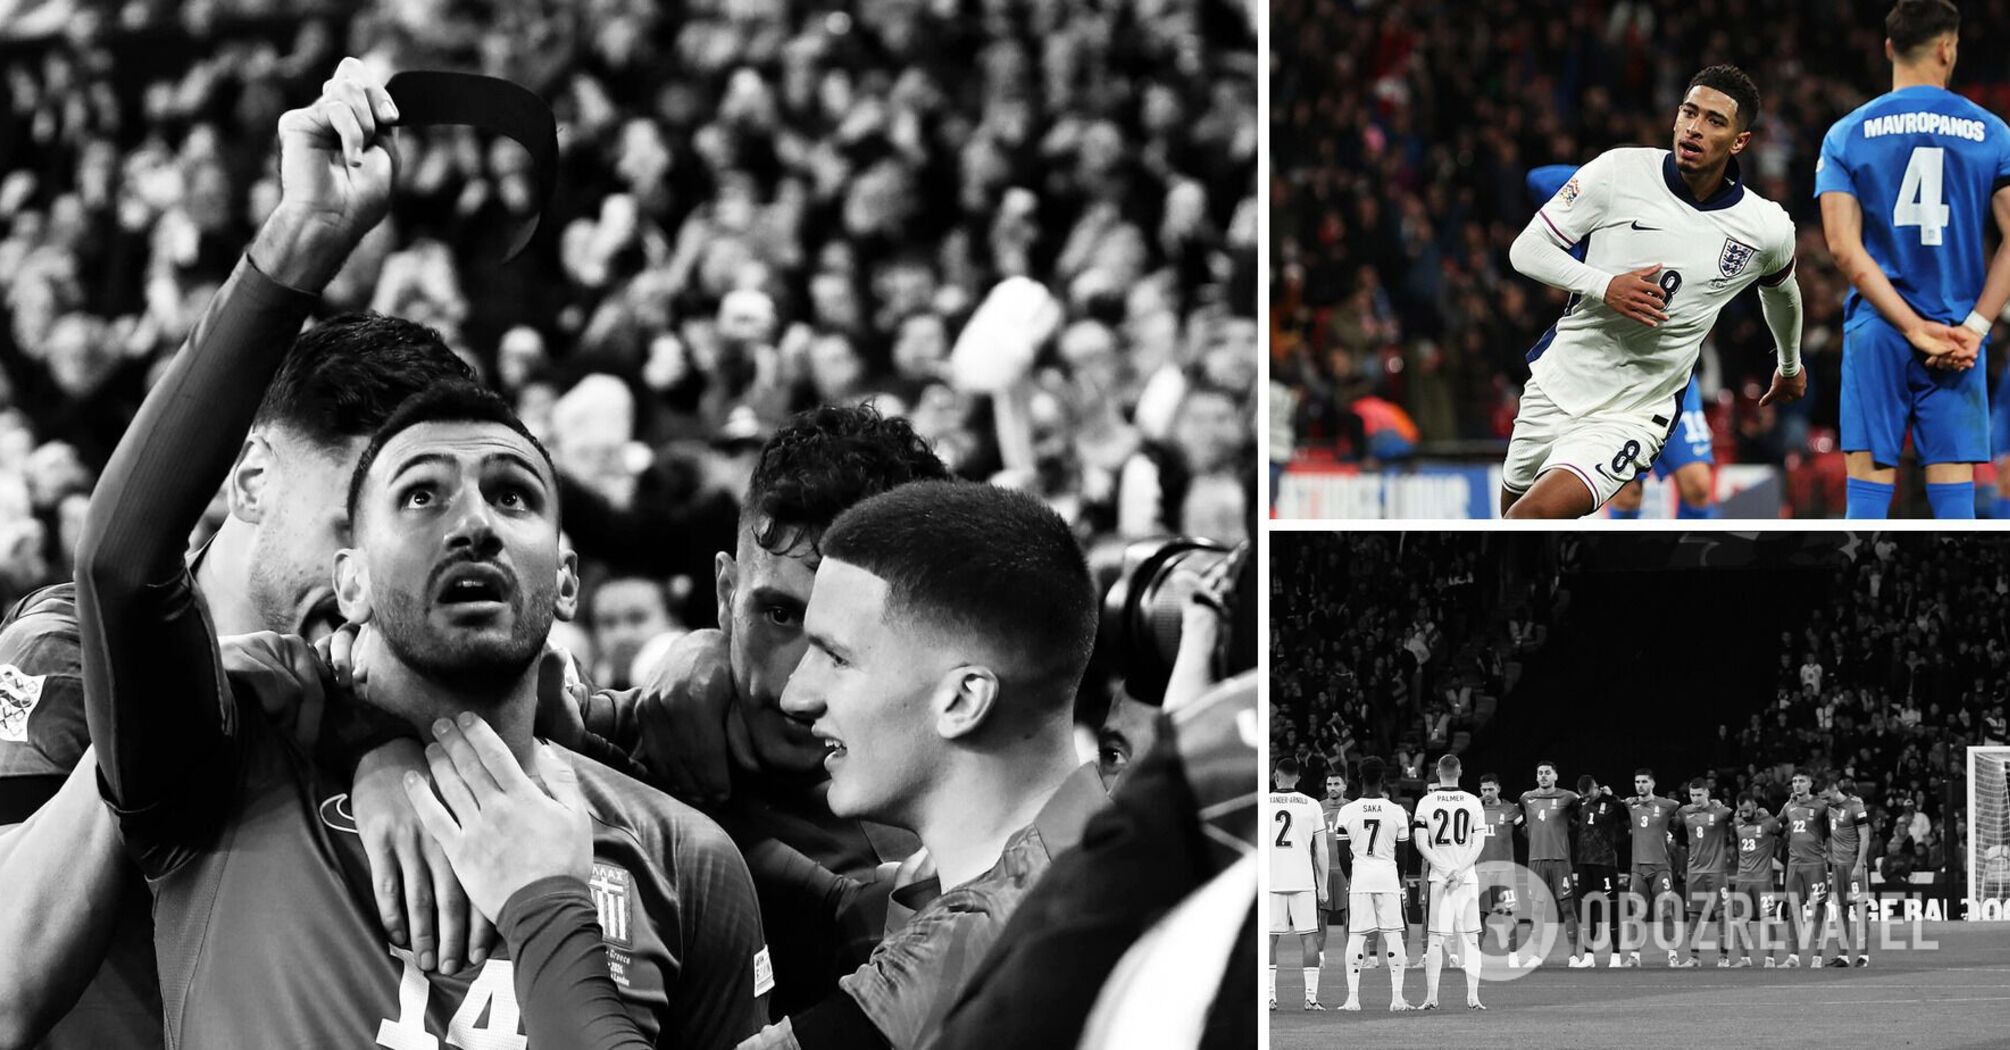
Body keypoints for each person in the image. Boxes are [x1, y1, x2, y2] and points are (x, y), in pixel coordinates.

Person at [75, 61, 769, 1048]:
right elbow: (121, 566)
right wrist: (303, 236)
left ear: (568, 576)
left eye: (513, 494)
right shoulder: (234, 762)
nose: (473, 522)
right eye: (421, 494)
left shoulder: (685, 858)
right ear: (350, 577)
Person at [0, 97, 484, 1050]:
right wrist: (174, 703)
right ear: (253, 478)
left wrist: (387, 743)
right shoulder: (61, 655)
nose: (366, 580)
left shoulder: (382, 692)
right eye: (350, 523)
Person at [733, 480, 1106, 1049]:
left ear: (963, 700)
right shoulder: (1114, 850)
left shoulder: (989, 932)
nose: (796, 695)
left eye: (836, 657)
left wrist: (571, 896)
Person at [1503, 64, 1804, 518]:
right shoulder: (1619, 171)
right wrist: (1605, 286)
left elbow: (1782, 293)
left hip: (1636, 410)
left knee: (1530, 518)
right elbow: (1526, 250)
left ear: (1739, 141)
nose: (1694, 128)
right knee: (1510, 526)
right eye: (1689, 112)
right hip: (1557, 382)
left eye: (1715, 121)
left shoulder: (1765, 228)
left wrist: (1790, 364)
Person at [1817, 0, 2010, 518]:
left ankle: (1860, 576)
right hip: (1956, 333)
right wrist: (1975, 327)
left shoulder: (1847, 133)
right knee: (1955, 508)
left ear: (1888, 48)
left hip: (1878, 328)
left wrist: (1909, 326)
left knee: (1866, 502)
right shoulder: (1992, 132)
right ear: (1947, 48)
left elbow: (1842, 247)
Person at [1522, 165, 1718, 520]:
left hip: (1667, 375)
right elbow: (1537, 179)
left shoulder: (1677, 226)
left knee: (1698, 485)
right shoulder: (1595, 235)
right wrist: (1615, 179)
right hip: (1607, 377)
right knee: (1625, 492)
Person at [1336, 756, 1411, 1012]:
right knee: (1393, 934)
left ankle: (1353, 999)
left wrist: (1353, 876)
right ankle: (1397, 998)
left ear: (1359, 778)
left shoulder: (1347, 811)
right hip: (1387, 876)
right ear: (1383, 779)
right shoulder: (1397, 811)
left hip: (1360, 877)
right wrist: (1395, 877)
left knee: (1356, 935)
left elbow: (1342, 855)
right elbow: (1403, 856)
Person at [1411, 754, 1485, 1011]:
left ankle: (1431, 997)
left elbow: (1421, 844)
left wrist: (1444, 870)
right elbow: (1478, 843)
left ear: (1438, 773)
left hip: (1439, 879)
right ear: (1460, 771)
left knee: (1435, 939)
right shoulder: (1473, 801)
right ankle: (1473, 997)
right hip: (1466, 879)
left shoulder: (1426, 802)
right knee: (1471, 939)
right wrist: (1460, 870)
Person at [1266, 758, 1329, 1011]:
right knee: (1309, 937)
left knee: (1269, 939)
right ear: (1298, 778)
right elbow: (1321, 851)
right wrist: (1323, 885)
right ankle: (1311, 998)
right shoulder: (1312, 805)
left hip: (1271, 879)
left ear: (1275, 776)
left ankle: (1269, 997)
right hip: (1303, 879)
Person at [1518, 760, 1584, 966]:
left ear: (1555, 776)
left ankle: (1573, 956)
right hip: (1536, 860)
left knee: (1567, 907)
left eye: (1547, 772)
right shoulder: (1526, 798)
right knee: (1537, 909)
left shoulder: (1569, 797)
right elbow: (1519, 821)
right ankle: (1536, 955)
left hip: (1560, 860)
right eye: (1540, 773)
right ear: (1536, 776)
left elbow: (1584, 812)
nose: (1543, 776)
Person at [1622, 768, 1684, 967]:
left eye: (1644, 781)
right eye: (1637, 782)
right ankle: (1634, 957)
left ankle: (1672, 955)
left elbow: (1686, 811)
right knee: (1637, 914)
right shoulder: (1630, 804)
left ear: (1652, 783)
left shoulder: (1667, 804)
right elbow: (1613, 804)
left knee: (1666, 912)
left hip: (1660, 868)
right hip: (1638, 869)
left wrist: (1671, 832)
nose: (1640, 785)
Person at [1670, 779, 1735, 967]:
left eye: (1699, 794)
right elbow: (1668, 818)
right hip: (1694, 871)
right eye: (1692, 795)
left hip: (1716, 871)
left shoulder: (1721, 811)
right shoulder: (1685, 811)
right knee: (1693, 915)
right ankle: (1694, 957)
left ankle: (1723, 957)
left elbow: (1741, 816)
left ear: (1707, 793)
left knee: (1722, 914)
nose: (1696, 798)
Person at [1572, 774, 1627, 967]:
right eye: (1583, 795)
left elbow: (1625, 816)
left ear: (1597, 788)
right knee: (1588, 909)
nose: (1586, 798)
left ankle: (1616, 955)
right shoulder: (1579, 804)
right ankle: (1588, 956)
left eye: (1588, 794)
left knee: (1611, 908)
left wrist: (1614, 797)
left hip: (1605, 863)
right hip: (1584, 863)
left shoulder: (1612, 803)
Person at [1779, 770, 1833, 967]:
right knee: (1793, 910)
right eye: (1794, 781)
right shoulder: (1788, 806)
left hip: (1815, 863)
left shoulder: (1821, 805)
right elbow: (1775, 825)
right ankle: (1793, 957)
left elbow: (1838, 821)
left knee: (1818, 909)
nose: (1797, 784)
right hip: (1794, 864)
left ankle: (1817, 956)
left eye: (1801, 781)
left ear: (1810, 784)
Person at [1823, 775, 1874, 966]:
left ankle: (1863, 955)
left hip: (1854, 866)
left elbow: (1865, 838)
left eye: (1827, 797)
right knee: (1841, 910)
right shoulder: (1829, 807)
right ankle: (1843, 955)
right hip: (1838, 867)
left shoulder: (1855, 806)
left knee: (1860, 909)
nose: (1825, 802)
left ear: (1835, 790)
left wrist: (1859, 865)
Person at [1476, 772, 1526, 966]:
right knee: (1480, 915)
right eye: (1484, 790)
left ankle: (1513, 956)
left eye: (1490, 789)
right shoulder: (1475, 810)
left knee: (1508, 913)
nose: (1487, 793)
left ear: (1498, 788)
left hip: (1505, 872)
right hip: (1481, 871)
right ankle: (1477, 958)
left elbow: (1525, 831)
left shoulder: (1511, 809)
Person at [1730, 792, 1785, 967]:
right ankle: (1745, 958)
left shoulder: (1768, 823)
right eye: (1741, 811)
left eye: (1747, 810)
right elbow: (1735, 816)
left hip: (1763, 880)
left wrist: (1768, 815)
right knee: (1741, 920)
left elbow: (1781, 829)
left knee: (1767, 919)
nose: (1744, 814)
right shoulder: (1737, 821)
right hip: (1742, 879)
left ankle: (1770, 959)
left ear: (1755, 806)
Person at [1317, 770, 1349, 961]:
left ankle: (1351, 957)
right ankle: (1319, 957)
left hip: (1346, 869)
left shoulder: (1353, 808)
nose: (1332, 788)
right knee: (1321, 916)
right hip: (1323, 870)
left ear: (1344, 786)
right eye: (1329, 784)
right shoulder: (1317, 808)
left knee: (1348, 916)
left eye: (1336, 784)